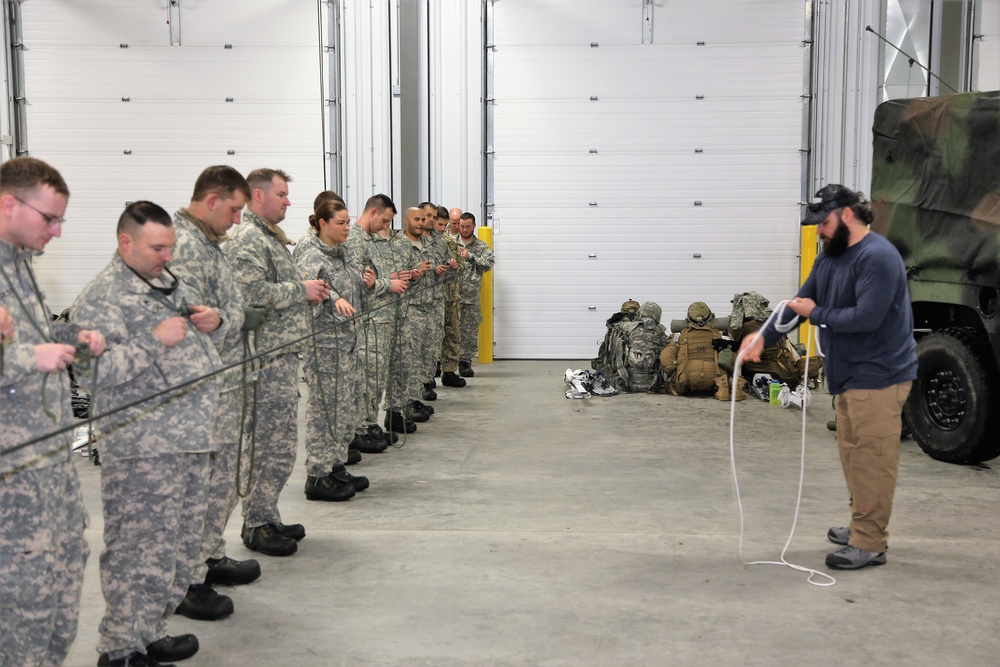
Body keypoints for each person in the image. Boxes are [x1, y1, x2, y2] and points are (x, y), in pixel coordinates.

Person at [72, 201, 223, 666]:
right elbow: (90, 375)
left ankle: (149, 629)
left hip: (189, 438)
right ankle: (119, 647)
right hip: (143, 449)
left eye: (170, 247)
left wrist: (212, 323)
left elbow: (196, 343)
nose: (166, 256)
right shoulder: (102, 297)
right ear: (125, 243)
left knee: (176, 547)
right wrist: (153, 340)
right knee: (136, 550)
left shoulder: (165, 284)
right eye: (157, 247)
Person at [739, 184, 917, 570]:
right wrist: (761, 338)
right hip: (850, 376)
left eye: (824, 222)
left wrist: (816, 312)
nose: (818, 230)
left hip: (880, 376)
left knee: (872, 460)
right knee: (854, 457)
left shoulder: (878, 258)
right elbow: (797, 305)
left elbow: (865, 319)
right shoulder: (830, 257)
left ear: (847, 215)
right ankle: (861, 526)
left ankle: (870, 543)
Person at [0, 157, 105, 666]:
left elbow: (31, 336)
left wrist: (71, 337)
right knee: (22, 599)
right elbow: (21, 352)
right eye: (50, 218)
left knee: (64, 578)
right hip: (10, 477)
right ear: (8, 204)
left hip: (49, 460)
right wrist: (27, 357)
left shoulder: (18, 263)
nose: (58, 232)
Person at [169, 166, 261, 622]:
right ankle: (186, 581)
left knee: (219, 479)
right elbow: (193, 321)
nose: (237, 220)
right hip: (201, 389)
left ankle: (207, 556)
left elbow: (222, 308)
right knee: (198, 486)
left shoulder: (209, 243)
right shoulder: (184, 246)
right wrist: (232, 319)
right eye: (233, 209)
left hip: (223, 380)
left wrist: (234, 314)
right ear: (210, 200)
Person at [223, 168, 330, 557]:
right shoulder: (250, 239)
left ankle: (266, 513)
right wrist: (298, 290)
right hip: (263, 361)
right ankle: (256, 525)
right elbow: (248, 292)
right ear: (258, 195)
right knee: (267, 445)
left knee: (280, 445)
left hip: (280, 359)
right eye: (282, 194)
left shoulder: (270, 239)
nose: (288, 201)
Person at [295, 200, 374, 501]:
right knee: (324, 411)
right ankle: (317, 475)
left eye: (348, 222)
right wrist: (326, 300)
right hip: (324, 347)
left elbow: (355, 303)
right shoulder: (310, 257)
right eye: (340, 223)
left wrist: (367, 285)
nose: (346, 228)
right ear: (322, 224)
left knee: (345, 408)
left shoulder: (345, 256)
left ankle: (335, 464)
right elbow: (301, 303)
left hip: (348, 344)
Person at [344, 194, 408, 446]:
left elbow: (374, 277)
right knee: (368, 374)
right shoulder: (354, 240)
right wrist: (388, 284)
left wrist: (390, 277)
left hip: (382, 319)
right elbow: (360, 281)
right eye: (383, 220)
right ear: (372, 213)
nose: (385, 227)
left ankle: (370, 422)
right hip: (368, 320)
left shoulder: (370, 239)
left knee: (376, 375)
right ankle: (361, 428)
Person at [384, 207, 433, 431]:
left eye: (424, 219)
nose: (421, 223)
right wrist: (412, 273)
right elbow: (393, 275)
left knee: (419, 355)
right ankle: (404, 405)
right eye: (417, 219)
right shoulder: (399, 244)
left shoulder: (428, 244)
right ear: (406, 221)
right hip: (408, 307)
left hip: (427, 305)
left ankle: (412, 398)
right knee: (407, 359)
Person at [456, 212, 495, 377]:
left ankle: (465, 361)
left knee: (469, 330)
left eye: (468, 226)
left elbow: (488, 264)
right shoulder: (451, 244)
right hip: (451, 295)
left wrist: (470, 257)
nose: (464, 230)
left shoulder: (481, 246)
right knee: (448, 330)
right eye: (462, 226)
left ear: (474, 226)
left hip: (470, 296)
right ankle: (443, 362)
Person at [435, 206, 466, 388]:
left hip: (451, 296)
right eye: (439, 224)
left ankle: (449, 371)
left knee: (452, 334)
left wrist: (455, 265)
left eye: (444, 225)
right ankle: (430, 373)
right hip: (434, 299)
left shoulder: (450, 243)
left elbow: (462, 267)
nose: (442, 228)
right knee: (434, 336)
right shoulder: (425, 244)